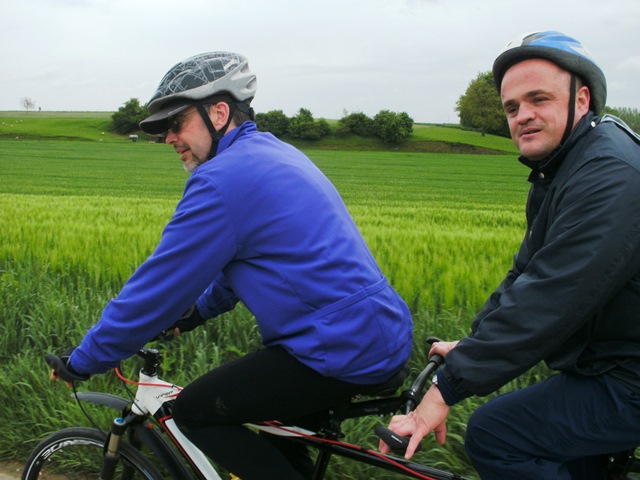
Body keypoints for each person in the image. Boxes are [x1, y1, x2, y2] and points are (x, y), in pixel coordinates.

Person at [53, 51, 413, 479]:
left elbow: (156, 290)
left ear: (219, 112)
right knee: (281, 441)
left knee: (195, 411)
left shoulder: (221, 180)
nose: (169, 138)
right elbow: (246, 266)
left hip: (337, 346)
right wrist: (193, 316)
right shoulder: (273, 153)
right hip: (374, 331)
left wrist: (83, 360)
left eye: (177, 123)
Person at [381, 31, 640, 479]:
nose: (523, 116)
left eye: (538, 99)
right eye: (512, 107)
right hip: (610, 366)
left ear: (581, 100)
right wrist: (472, 345)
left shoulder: (609, 174)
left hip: (628, 376)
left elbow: (552, 296)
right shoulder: (563, 168)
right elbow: (526, 274)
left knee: (495, 434)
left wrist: (446, 388)